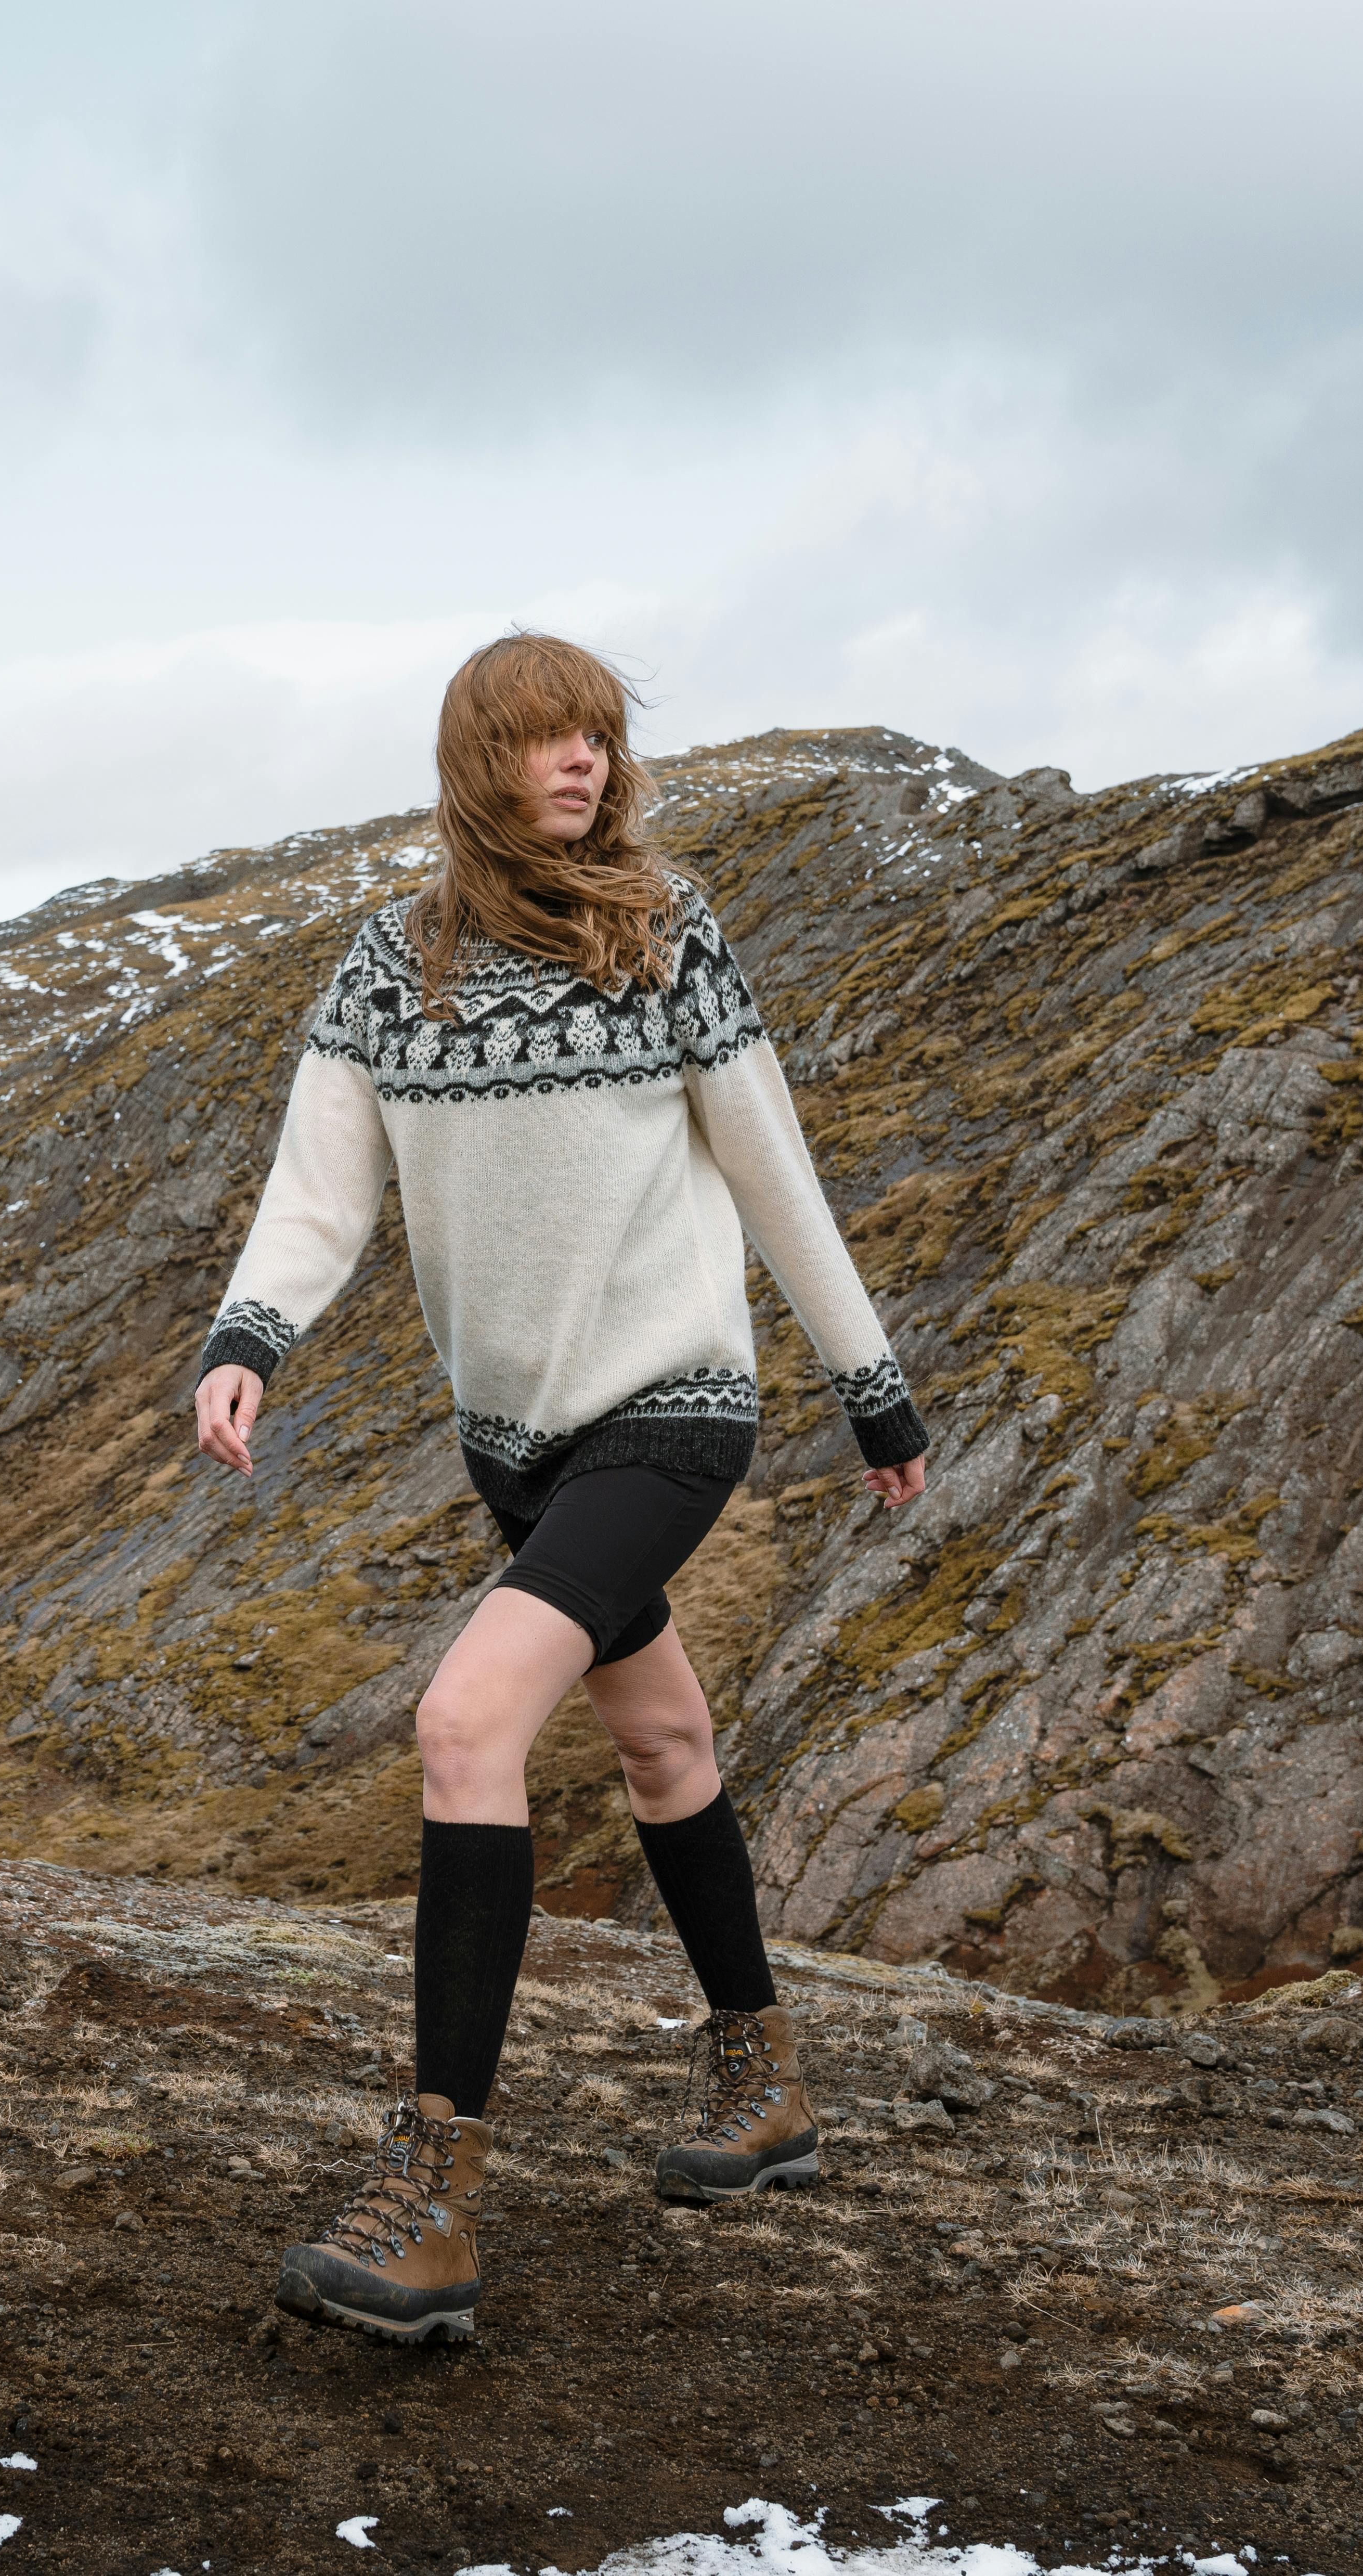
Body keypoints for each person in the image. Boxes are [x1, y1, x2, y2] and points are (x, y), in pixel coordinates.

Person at [191, 631, 932, 2347]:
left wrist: (870, 1386)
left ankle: (435, 2198)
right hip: (513, 1446)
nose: (581, 761)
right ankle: (762, 2081)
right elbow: (318, 1193)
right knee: (665, 1743)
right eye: (543, 740)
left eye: (597, 734)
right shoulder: (391, 963)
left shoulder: (667, 937)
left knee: (466, 1724)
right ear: (482, 764)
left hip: (672, 1410)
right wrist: (250, 1341)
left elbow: (773, 1169)